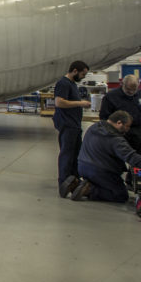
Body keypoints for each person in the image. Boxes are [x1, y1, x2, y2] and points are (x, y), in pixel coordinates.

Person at [62, 110, 141, 202]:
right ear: (119, 123)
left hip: (82, 167)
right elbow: (132, 158)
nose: (128, 130)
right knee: (120, 195)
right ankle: (89, 190)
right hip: (100, 172)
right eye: (127, 126)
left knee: (109, 185)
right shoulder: (115, 139)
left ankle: (77, 184)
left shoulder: (95, 126)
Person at [53, 60, 90, 196]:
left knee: (75, 154)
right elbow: (59, 102)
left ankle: (73, 181)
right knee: (67, 155)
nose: (83, 77)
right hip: (67, 124)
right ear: (75, 71)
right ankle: (64, 183)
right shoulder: (63, 83)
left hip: (74, 124)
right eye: (82, 74)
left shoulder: (72, 84)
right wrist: (80, 103)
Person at [98, 74, 141, 157]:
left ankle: (137, 170)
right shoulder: (111, 96)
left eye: (134, 89)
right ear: (122, 84)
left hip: (137, 131)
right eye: (128, 89)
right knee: (117, 158)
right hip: (118, 132)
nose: (131, 92)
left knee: (138, 157)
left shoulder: (140, 94)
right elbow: (104, 117)